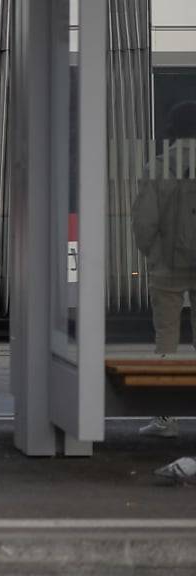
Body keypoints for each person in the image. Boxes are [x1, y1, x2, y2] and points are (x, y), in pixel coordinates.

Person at [132, 101, 196, 441]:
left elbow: (144, 221)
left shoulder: (158, 165)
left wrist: (153, 255)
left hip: (168, 266)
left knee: (166, 340)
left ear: (172, 131)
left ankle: (166, 418)